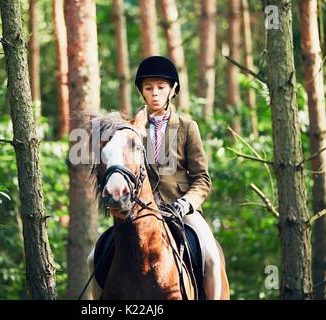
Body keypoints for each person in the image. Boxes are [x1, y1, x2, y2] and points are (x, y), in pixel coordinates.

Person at [88, 56, 224, 300]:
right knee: (93, 258)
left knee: (212, 256)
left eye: (161, 87)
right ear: (142, 92)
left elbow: (202, 178)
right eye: (149, 88)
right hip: (139, 211)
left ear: (172, 89)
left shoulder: (187, 126)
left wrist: (186, 203)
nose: (155, 94)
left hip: (182, 211)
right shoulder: (129, 130)